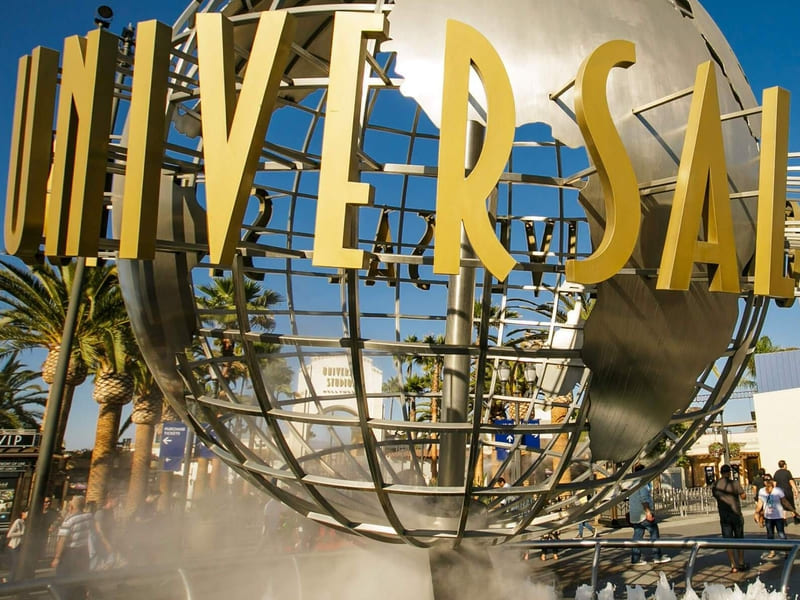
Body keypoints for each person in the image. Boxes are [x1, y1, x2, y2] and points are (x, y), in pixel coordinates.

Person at [51, 496, 95, 600]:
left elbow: (62, 540)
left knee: (64, 581)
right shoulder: (89, 517)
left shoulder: (70, 521)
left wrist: (57, 558)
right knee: (80, 580)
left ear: (71, 507)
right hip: (84, 552)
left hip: (70, 554)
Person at [628, 463, 670, 566]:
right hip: (643, 514)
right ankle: (657, 556)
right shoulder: (643, 483)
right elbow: (644, 498)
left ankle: (635, 558)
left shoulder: (632, 483)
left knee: (637, 536)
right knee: (654, 533)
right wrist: (648, 512)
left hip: (635, 515)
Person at [711, 464, 748, 572]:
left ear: (721, 472)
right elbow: (743, 496)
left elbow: (716, 496)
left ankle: (733, 564)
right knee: (739, 538)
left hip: (724, 515)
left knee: (728, 540)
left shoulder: (716, 484)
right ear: (729, 473)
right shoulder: (735, 483)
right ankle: (741, 562)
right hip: (736, 513)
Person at [755, 473, 796, 559]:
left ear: (772, 481)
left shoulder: (778, 490)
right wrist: (756, 513)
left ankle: (786, 550)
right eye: (765, 481)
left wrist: (792, 510)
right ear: (764, 482)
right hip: (768, 516)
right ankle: (772, 551)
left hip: (778, 516)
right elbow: (760, 503)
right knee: (770, 535)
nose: (767, 482)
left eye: (769, 480)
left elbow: (784, 501)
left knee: (781, 533)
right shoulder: (762, 491)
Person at [5, 508, 27, 580]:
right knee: (16, 562)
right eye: (27, 513)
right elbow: (9, 534)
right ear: (23, 513)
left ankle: (12, 578)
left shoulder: (26, 522)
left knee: (18, 563)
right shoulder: (18, 521)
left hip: (20, 545)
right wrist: (21, 533)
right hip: (14, 545)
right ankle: (9, 579)